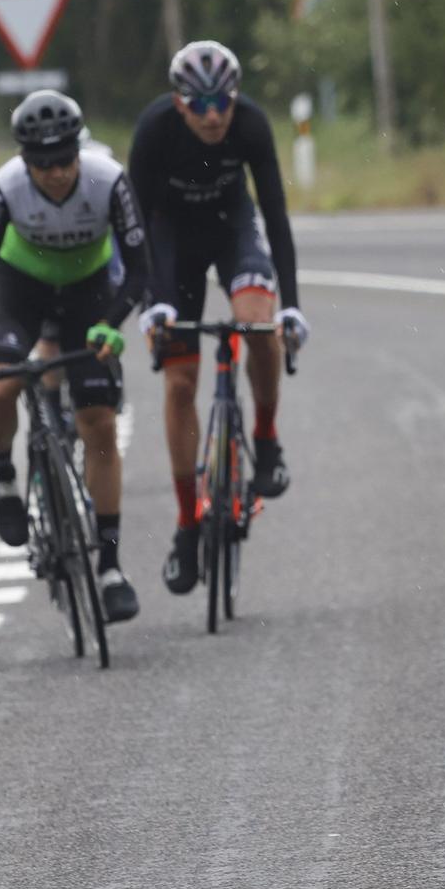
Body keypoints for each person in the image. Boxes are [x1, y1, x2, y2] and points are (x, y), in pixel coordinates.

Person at [0, 90, 149, 624]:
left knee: (99, 423)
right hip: (21, 292)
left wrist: (113, 323)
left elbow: (139, 268)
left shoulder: (108, 179)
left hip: (89, 294)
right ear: (25, 161)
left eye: (65, 160)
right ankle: (4, 480)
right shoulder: (7, 187)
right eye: (43, 164)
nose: (57, 173)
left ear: (79, 151)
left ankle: (109, 565)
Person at [128, 40, 308, 595]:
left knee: (259, 322)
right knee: (181, 382)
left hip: (233, 226)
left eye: (221, 102)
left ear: (235, 99)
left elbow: (275, 216)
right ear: (178, 103)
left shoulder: (251, 125)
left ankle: (266, 436)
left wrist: (293, 304)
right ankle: (187, 524)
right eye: (198, 103)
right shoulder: (155, 130)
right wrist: (152, 302)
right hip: (170, 242)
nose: (212, 115)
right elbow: (135, 225)